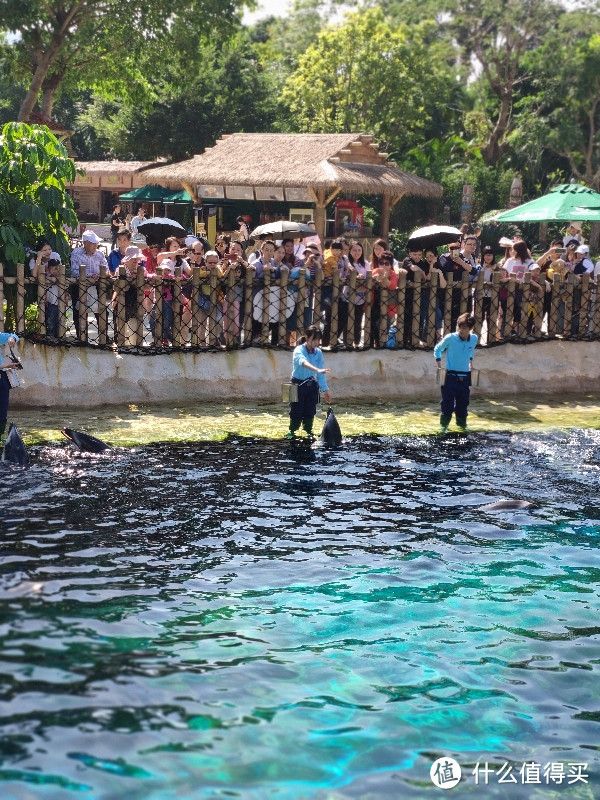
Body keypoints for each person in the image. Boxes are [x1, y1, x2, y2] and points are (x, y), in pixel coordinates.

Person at [285, 325, 332, 440]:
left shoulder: (319, 353)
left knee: (311, 410)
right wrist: (316, 370)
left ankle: (308, 430)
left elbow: (321, 373)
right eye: (314, 339)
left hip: (311, 386)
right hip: (297, 384)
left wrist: (325, 390)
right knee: (296, 410)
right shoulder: (298, 350)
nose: (316, 342)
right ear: (307, 337)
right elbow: (303, 362)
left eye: (318, 340)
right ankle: (292, 430)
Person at [434, 312, 478, 432]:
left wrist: (471, 364)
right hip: (450, 377)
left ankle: (462, 428)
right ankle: (443, 429)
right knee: (447, 406)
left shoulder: (474, 339)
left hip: (464, 379)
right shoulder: (450, 338)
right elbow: (437, 349)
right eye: (460, 327)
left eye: (465, 328)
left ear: (470, 329)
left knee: (463, 406)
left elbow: (470, 351)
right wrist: (439, 366)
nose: (461, 330)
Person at [70, 230, 109, 339]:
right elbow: (74, 272)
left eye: (96, 243)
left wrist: (102, 275)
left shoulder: (100, 254)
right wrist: (90, 275)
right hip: (79, 286)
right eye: (93, 243)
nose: (95, 245)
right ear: (85, 243)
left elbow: (106, 269)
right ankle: (81, 337)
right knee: (79, 312)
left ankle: (104, 337)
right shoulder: (76, 253)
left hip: (97, 287)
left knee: (102, 311)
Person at [0, 332, 20, 441]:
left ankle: (1, 437)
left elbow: (14, 336)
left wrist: (11, 338)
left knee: (2, 413)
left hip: (1, 378)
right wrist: (7, 366)